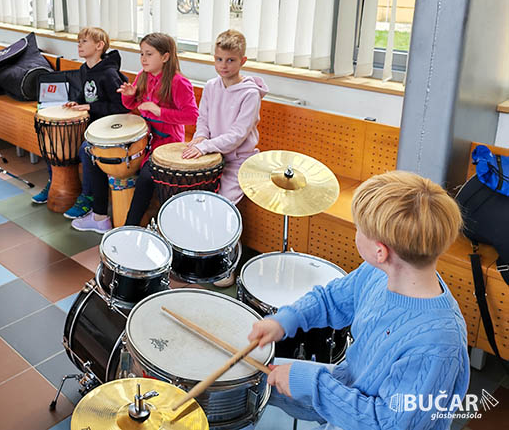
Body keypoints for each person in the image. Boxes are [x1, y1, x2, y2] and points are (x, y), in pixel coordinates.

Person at [248, 171, 470, 430]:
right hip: (347, 389)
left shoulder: (436, 346)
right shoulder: (379, 271)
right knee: (250, 376)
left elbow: (387, 425)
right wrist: (285, 320)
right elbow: (331, 299)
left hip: (368, 420)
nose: (357, 233)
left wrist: (312, 383)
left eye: (359, 229)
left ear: (380, 251)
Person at [72, 32, 199, 233]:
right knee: (95, 154)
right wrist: (129, 96)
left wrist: (160, 111)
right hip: (143, 139)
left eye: (149, 54)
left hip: (167, 144)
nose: (143, 59)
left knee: (146, 178)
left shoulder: (178, 82)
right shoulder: (142, 76)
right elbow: (131, 106)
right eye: (141, 54)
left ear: (165, 57)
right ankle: (99, 216)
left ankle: (129, 229)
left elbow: (192, 116)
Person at [182, 29, 268, 286]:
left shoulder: (250, 94)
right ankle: (201, 256)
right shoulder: (211, 86)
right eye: (219, 59)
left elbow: (238, 135)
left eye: (230, 60)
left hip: (239, 161)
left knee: (222, 207)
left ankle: (225, 266)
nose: (223, 65)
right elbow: (203, 118)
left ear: (243, 61)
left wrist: (205, 146)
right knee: (197, 201)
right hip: (212, 156)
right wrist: (200, 137)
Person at [31, 27, 129, 219]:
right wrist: (75, 102)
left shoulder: (109, 74)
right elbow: (84, 95)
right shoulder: (84, 69)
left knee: (85, 150)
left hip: (108, 127)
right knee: (53, 138)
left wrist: (91, 107)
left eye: (84, 41)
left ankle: (88, 197)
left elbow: (121, 107)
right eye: (78, 41)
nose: (79, 45)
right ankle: (54, 181)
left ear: (99, 46)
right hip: (91, 124)